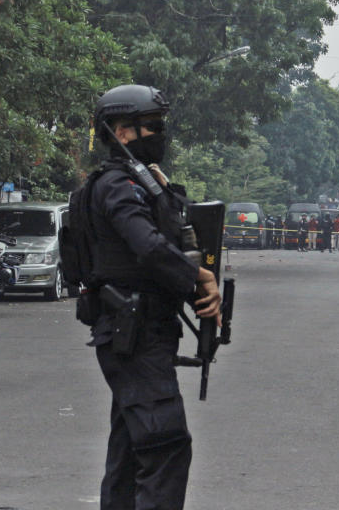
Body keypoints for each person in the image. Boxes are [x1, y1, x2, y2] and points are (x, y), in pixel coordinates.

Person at [84, 84, 221, 510]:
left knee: (129, 452)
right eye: (152, 127)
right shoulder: (117, 187)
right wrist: (200, 277)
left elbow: (171, 224)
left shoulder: (140, 181)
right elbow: (147, 245)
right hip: (134, 334)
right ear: (122, 132)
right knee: (165, 445)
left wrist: (163, 189)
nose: (160, 134)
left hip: (142, 332)